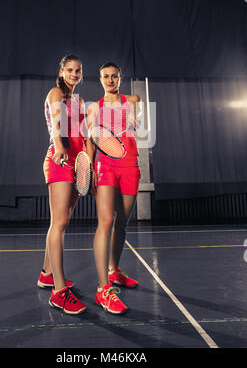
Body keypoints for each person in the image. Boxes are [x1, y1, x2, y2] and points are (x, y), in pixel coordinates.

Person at [86, 62, 141, 314]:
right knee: (105, 222)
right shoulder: (94, 108)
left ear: (120, 78)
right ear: (100, 79)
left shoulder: (131, 101)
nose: (110, 79)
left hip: (130, 166)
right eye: (105, 76)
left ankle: (114, 270)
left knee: (122, 222)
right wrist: (88, 170)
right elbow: (90, 140)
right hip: (105, 168)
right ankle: (103, 289)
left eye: (114, 76)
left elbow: (135, 108)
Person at [37, 54, 87, 315]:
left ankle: (46, 274)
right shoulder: (56, 92)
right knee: (58, 224)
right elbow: (57, 124)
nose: (74, 74)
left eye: (78, 70)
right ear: (62, 70)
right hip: (60, 158)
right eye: (70, 69)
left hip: (78, 161)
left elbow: (84, 134)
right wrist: (58, 146)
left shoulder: (78, 99)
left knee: (63, 221)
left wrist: (87, 162)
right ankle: (58, 292)